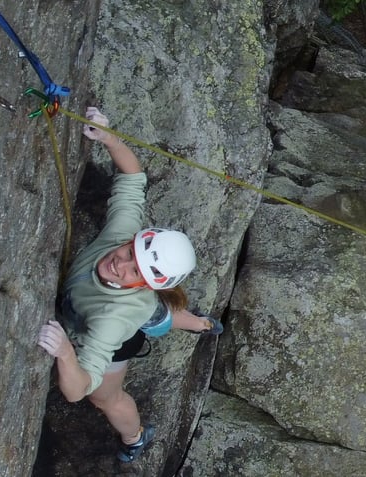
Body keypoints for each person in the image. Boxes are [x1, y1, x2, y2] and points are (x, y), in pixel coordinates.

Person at [38, 107, 223, 463]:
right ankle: (200, 323)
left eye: (133, 268)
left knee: (106, 398)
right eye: (128, 252)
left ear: (146, 282)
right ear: (133, 238)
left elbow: (79, 389)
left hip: (122, 332)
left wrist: (65, 351)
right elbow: (133, 176)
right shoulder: (122, 235)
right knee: (156, 313)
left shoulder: (113, 320)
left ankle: (135, 436)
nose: (118, 263)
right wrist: (108, 137)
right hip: (138, 307)